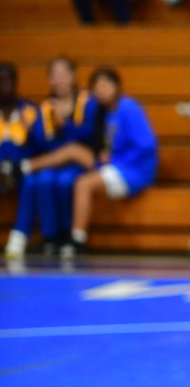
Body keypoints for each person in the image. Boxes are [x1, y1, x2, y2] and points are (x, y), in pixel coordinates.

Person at [22, 69, 158, 260]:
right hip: (115, 164)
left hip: (133, 170)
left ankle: (77, 241)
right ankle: (24, 166)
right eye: (97, 87)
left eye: (105, 84)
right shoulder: (103, 112)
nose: (101, 90)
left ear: (116, 86)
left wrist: (115, 158)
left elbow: (147, 146)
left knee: (83, 183)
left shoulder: (128, 107)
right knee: (73, 151)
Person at [6, 58, 98, 260]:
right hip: (53, 162)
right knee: (44, 179)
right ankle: (50, 238)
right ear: (49, 80)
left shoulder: (88, 102)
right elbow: (43, 146)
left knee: (65, 181)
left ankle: (67, 235)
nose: (59, 80)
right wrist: (32, 132)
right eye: (54, 76)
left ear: (74, 76)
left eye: (63, 75)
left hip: (80, 163)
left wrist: (65, 125)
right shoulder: (45, 107)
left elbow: (91, 136)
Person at [0, 64, 40, 255]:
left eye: (8, 80)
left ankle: (19, 236)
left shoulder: (29, 110)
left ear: (15, 83)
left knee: (31, 181)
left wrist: (33, 132)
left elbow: (41, 147)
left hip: (22, 168)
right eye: (0, 81)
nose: (4, 85)